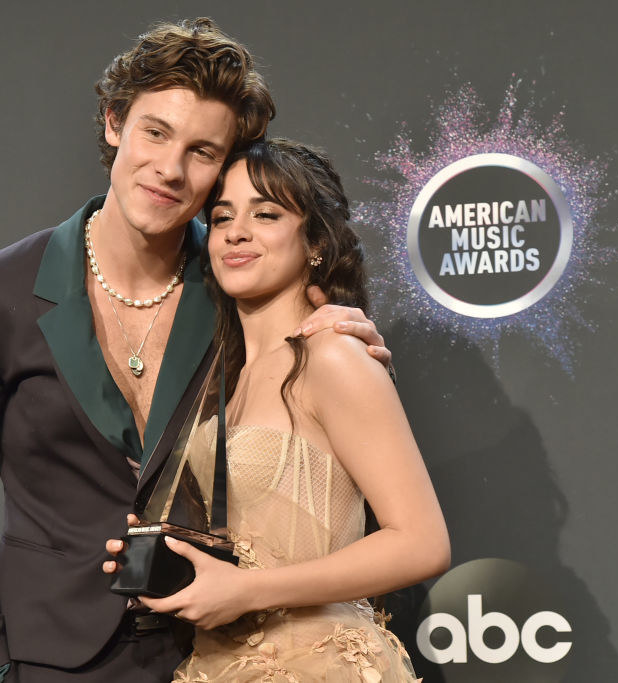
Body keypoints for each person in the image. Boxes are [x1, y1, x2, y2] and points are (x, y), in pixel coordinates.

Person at [0, 19, 392, 683]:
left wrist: (347, 330)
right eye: (155, 132)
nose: (169, 169)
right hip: (43, 657)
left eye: (202, 151)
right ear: (114, 123)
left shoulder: (239, 287)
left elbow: (315, 386)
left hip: (211, 651)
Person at [105, 139, 450, 682]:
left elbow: (422, 544)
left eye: (266, 214)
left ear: (315, 241)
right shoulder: (221, 380)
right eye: (222, 217)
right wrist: (164, 553)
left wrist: (246, 591)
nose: (236, 232)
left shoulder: (333, 355)